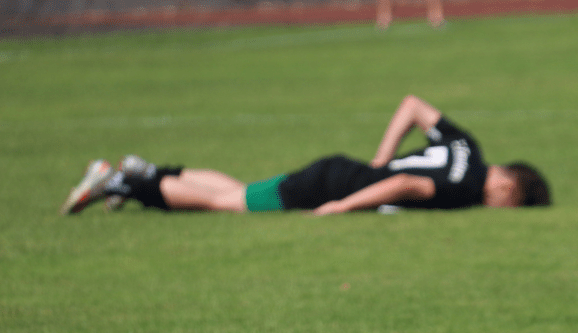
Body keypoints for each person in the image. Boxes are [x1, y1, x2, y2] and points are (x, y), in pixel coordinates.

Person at [61, 95, 550, 216]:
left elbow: (412, 105)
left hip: (342, 168)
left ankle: (146, 172)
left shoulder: (468, 148)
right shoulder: (466, 190)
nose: (499, 210)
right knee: (226, 203)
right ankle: (122, 183)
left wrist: (380, 159)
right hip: (333, 186)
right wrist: (344, 205)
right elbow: (409, 186)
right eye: (512, 206)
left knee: (238, 189)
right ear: (509, 186)